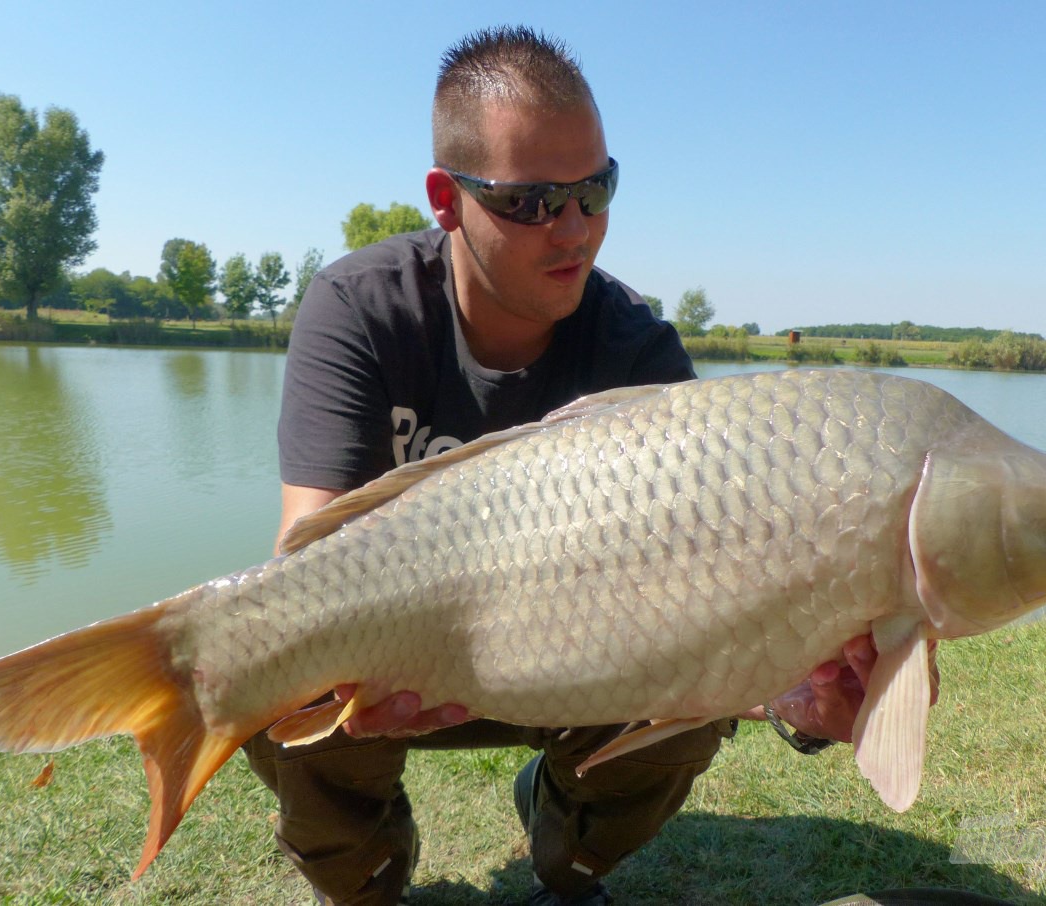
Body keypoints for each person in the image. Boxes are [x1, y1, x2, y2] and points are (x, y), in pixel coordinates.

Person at [244, 26, 935, 906]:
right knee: (275, 666)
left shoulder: (637, 348)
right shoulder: (359, 309)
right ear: (447, 200)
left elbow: (724, 609)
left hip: (581, 667)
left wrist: (802, 697)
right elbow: (302, 552)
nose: (574, 230)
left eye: (594, 190)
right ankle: (369, 873)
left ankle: (567, 854)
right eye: (532, 202)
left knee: (689, 718)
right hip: (400, 657)